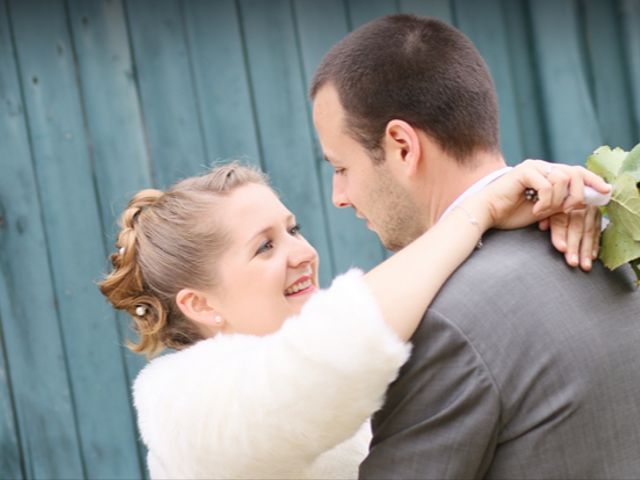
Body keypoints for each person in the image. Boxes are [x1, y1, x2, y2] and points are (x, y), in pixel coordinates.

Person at [100, 159, 605, 479]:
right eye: (265, 247)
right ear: (201, 304)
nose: (303, 253)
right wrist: (479, 210)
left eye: (293, 229)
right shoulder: (184, 407)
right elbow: (334, 353)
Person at [310, 13, 640, 479]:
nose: (338, 197)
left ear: (403, 147)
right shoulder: (614, 250)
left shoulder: (442, 322)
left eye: (341, 167)